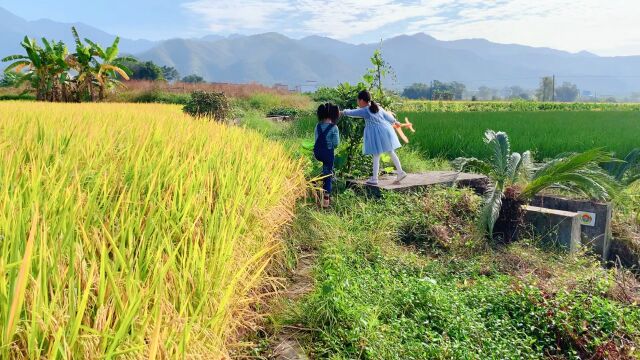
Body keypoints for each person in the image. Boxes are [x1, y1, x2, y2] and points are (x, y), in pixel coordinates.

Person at [341, 90, 406, 185]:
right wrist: (395, 121)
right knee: (390, 151)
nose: (357, 102)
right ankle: (400, 172)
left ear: (362, 100)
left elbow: (353, 112)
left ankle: (375, 179)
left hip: (377, 133)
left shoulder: (365, 110)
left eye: (358, 100)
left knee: (376, 154)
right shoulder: (377, 107)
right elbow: (387, 116)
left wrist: (342, 112)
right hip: (386, 129)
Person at [314, 103, 340, 207]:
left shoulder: (318, 125)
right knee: (328, 175)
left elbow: (316, 139)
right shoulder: (334, 127)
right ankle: (326, 200)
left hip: (317, 152)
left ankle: (315, 181)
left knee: (325, 171)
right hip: (327, 154)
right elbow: (336, 144)